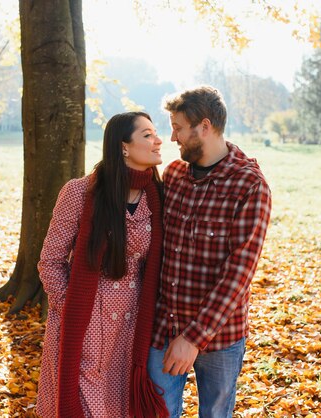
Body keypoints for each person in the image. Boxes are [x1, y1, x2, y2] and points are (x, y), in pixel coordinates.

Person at [147, 86, 272, 418]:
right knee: (157, 412)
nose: (172, 137)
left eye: (178, 128)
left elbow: (238, 275)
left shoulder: (249, 186)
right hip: (165, 326)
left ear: (204, 126)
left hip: (219, 338)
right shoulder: (173, 175)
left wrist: (193, 338)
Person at [36, 112, 169, 418]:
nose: (158, 140)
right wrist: (71, 305)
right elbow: (50, 261)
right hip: (84, 326)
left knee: (119, 408)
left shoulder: (159, 197)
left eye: (156, 133)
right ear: (123, 146)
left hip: (132, 329)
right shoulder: (80, 192)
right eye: (147, 135)